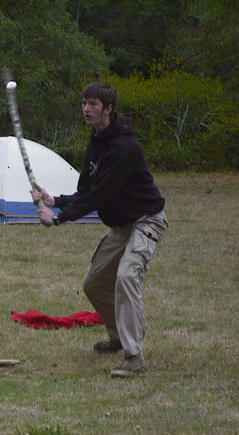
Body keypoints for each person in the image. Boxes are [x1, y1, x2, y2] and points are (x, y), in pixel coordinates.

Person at [31, 81, 168, 378]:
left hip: (146, 221)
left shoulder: (125, 148)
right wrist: (55, 201)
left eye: (93, 104)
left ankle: (134, 356)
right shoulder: (95, 142)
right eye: (84, 103)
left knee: (127, 277)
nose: (86, 109)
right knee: (93, 283)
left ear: (108, 109)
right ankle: (117, 336)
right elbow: (86, 191)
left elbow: (100, 195)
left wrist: (58, 218)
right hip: (120, 227)